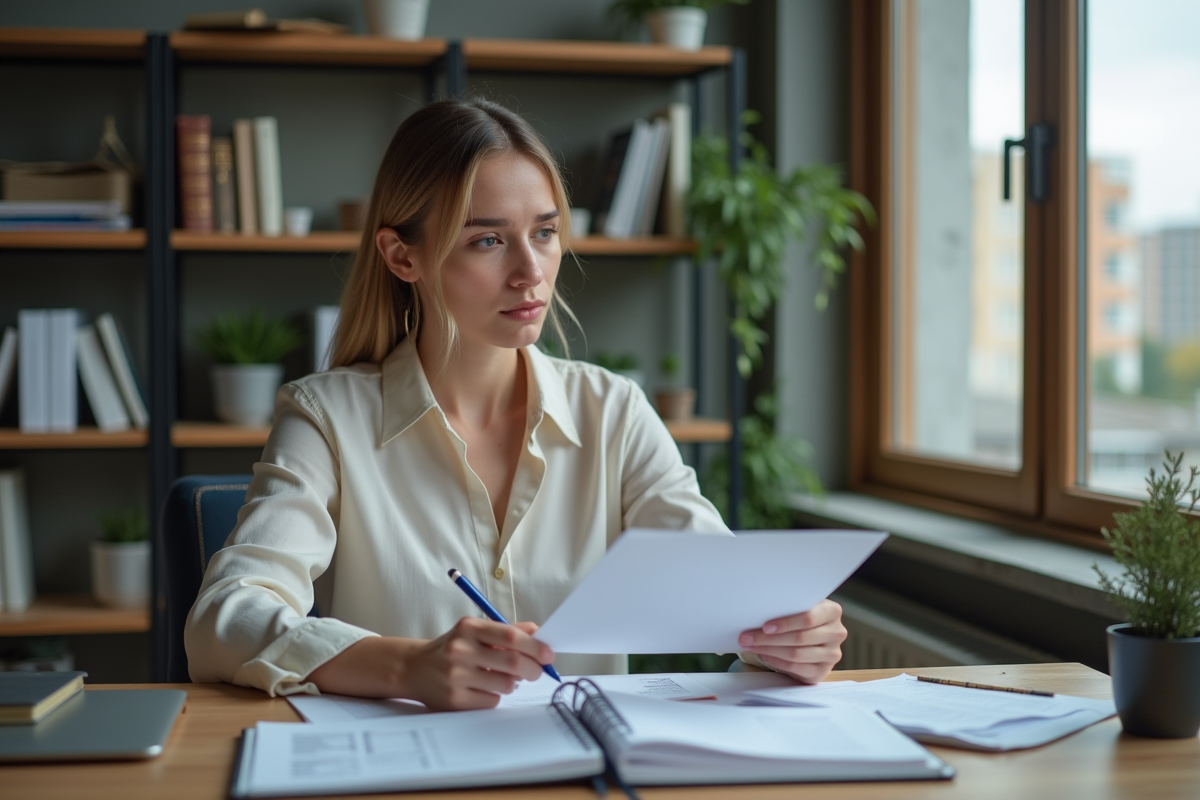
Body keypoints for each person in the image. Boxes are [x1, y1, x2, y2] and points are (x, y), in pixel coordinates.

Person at [185, 98, 846, 710]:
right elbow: (226, 617)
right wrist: (405, 667)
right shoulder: (326, 418)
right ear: (400, 255)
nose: (531, 271)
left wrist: (787, 633)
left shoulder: (612, 412)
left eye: (546, 232)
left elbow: (723, 594)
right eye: (487, 239)